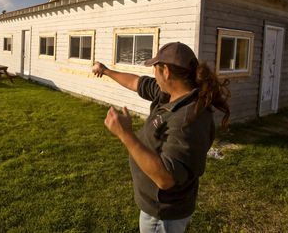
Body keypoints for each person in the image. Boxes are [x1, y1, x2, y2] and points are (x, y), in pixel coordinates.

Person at [92, 42, 230, 233]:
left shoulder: (187, 120)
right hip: (157, 208)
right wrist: (106, 71)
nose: (153, 76)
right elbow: (136, 82)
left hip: (163, 215)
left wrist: (126, 135)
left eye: (155, 69)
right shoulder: (169, 94)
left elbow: (166, 178)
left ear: (166, 72)